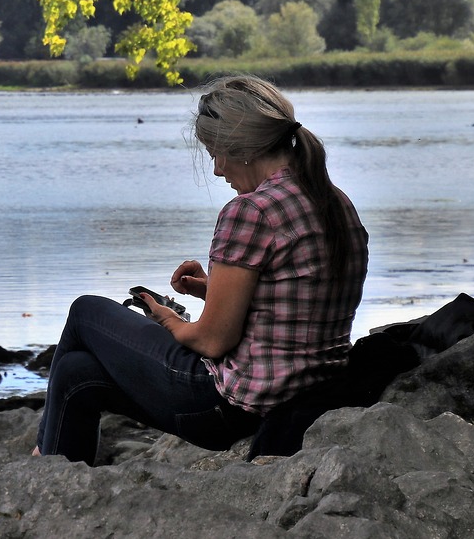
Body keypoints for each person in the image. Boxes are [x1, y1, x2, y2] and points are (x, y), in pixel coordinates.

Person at [34, 75, 369, 464]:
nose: (216, 170)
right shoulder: (335, 201)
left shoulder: (251, 210)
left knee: (85, 312)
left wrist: (167, 320)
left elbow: (212, 342)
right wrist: (214, 291)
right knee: (77, 373)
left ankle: (41, 453)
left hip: (229, 407)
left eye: (215, 153)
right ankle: (53, 468)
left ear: (240, 148)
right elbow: (299, 299)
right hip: (310, 390)